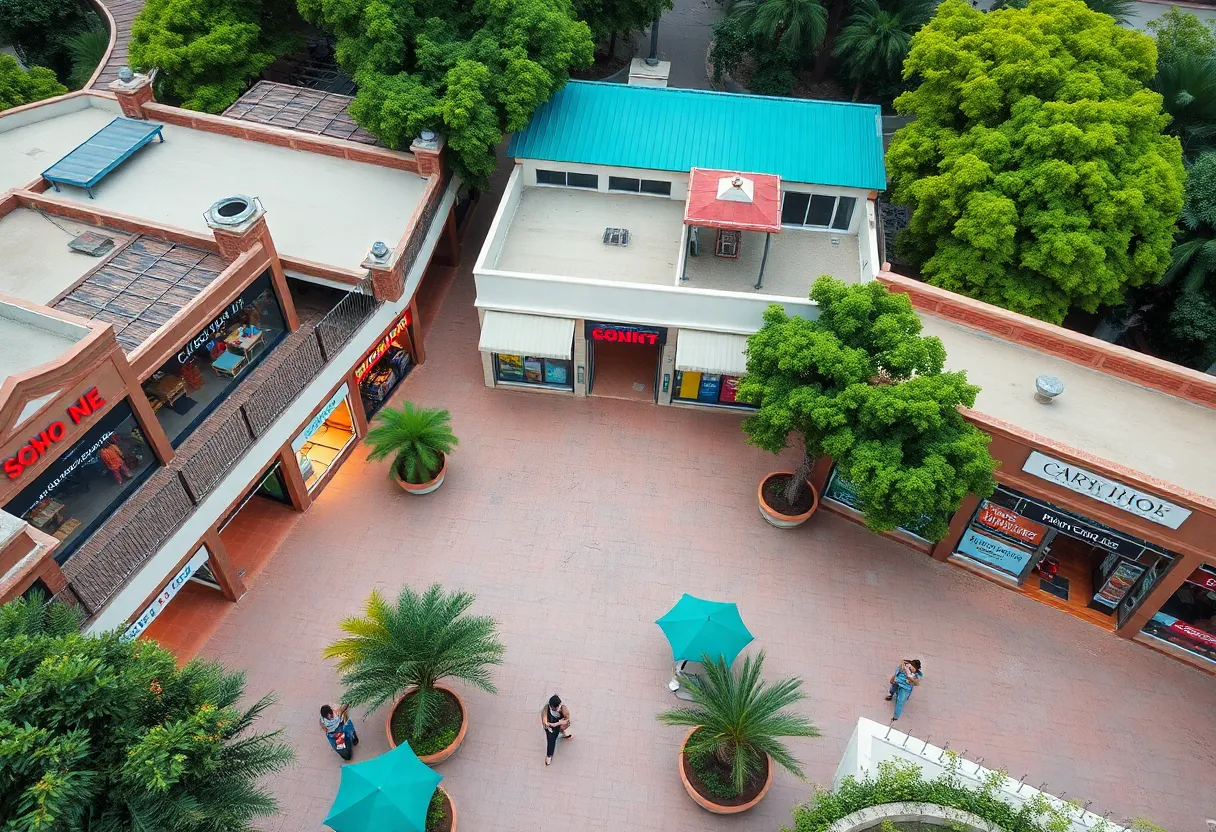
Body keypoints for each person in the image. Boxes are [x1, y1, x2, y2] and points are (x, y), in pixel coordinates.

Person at [540, 694, 573, 766]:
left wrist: (557, 724)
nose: (555, 709)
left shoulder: (563, 708)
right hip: (551, 727)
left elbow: (567, 719)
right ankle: (549, 755)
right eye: (553, 708)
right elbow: (544, 717)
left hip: (559, 724)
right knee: (551, 741)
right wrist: (547, 723)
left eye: (556, 707)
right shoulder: (547, 708)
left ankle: (563, 734)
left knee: (562, 729)